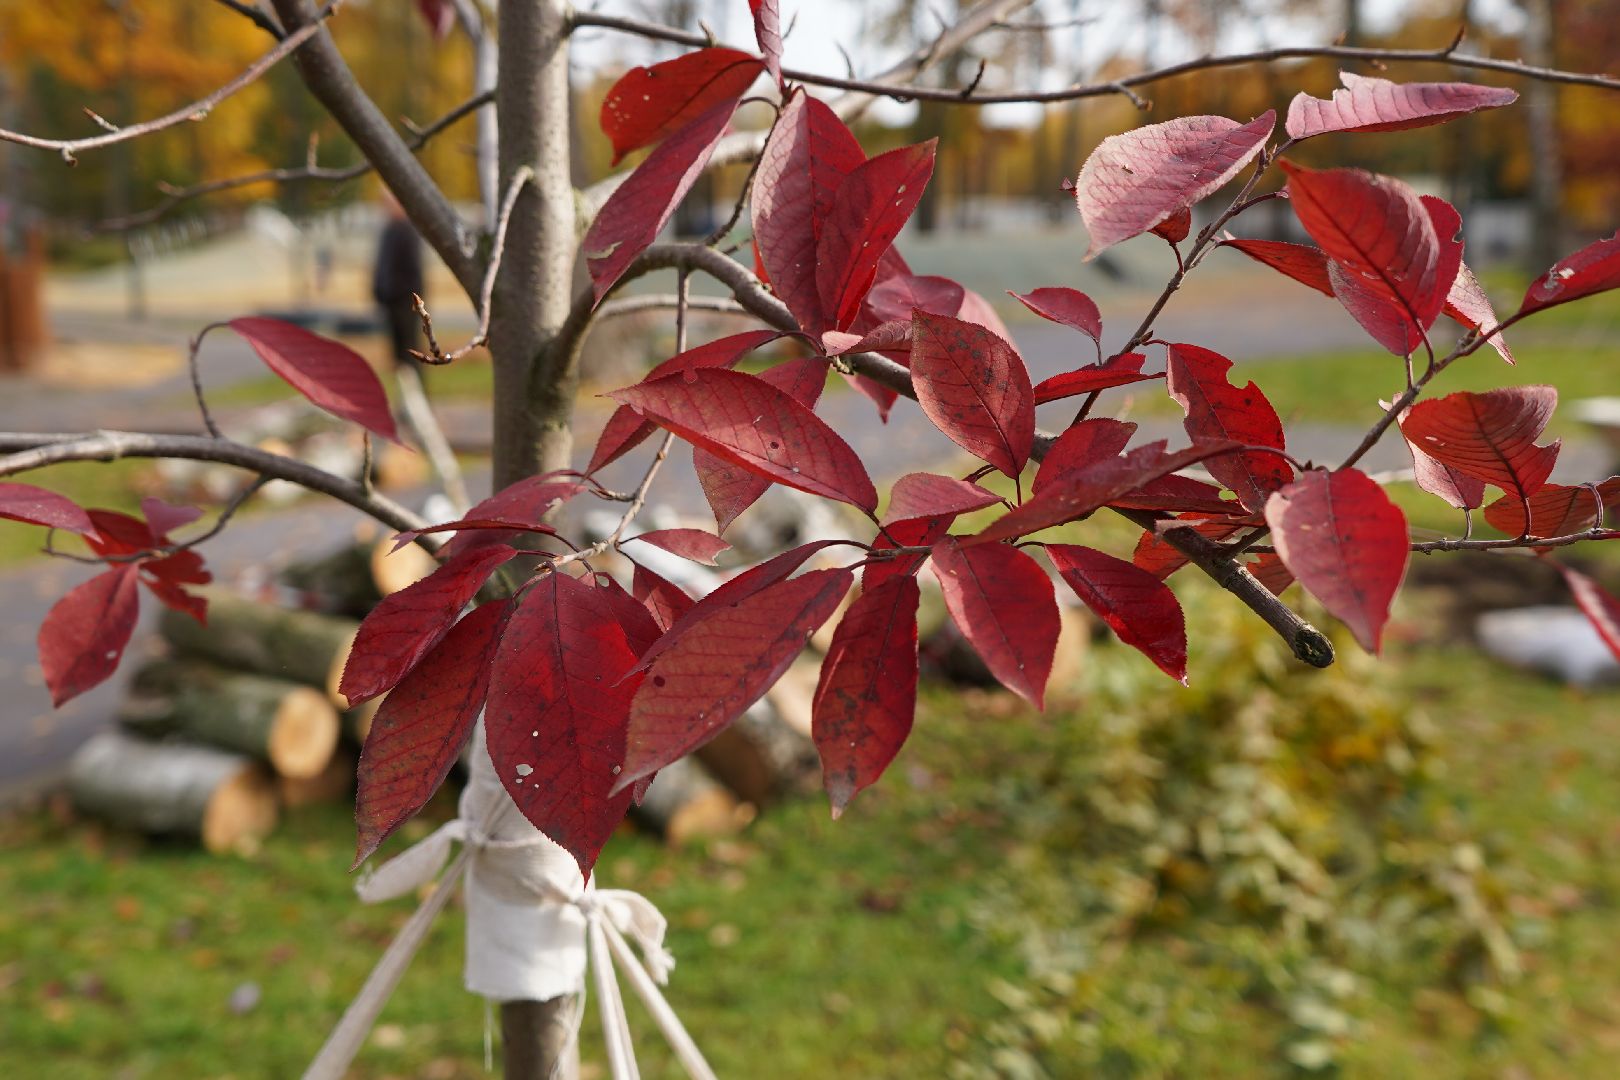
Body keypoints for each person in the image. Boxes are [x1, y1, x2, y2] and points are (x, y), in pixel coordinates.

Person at [371, 190, 425, 367]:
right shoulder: (389, 230)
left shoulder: (407, 231)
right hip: (391, 299)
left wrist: (409, 298)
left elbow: (412, 269)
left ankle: (413, 382)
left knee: (409, 347)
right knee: (398, 351)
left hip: (404, 301)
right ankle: (404, 379)